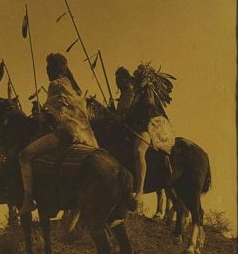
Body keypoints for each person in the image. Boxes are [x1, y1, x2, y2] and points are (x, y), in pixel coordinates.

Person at [18, 53, 98, 215]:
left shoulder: (55, 85)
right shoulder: (74, 86)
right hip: (87, 136)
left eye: (49, 68)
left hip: (66, 134)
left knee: (24, 155)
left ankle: (28, 200)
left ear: (57, 69)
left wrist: (42, 116)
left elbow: (56, 114)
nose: (47, 71)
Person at [116, 64, 175, 213]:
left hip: (148, 128)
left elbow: (146, 112)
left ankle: (140, 191)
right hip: (134, 127)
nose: (118, 83)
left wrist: (126, 115)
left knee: (138, 150)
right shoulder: (134, 92)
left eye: (120, 80)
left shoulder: (147, 93)